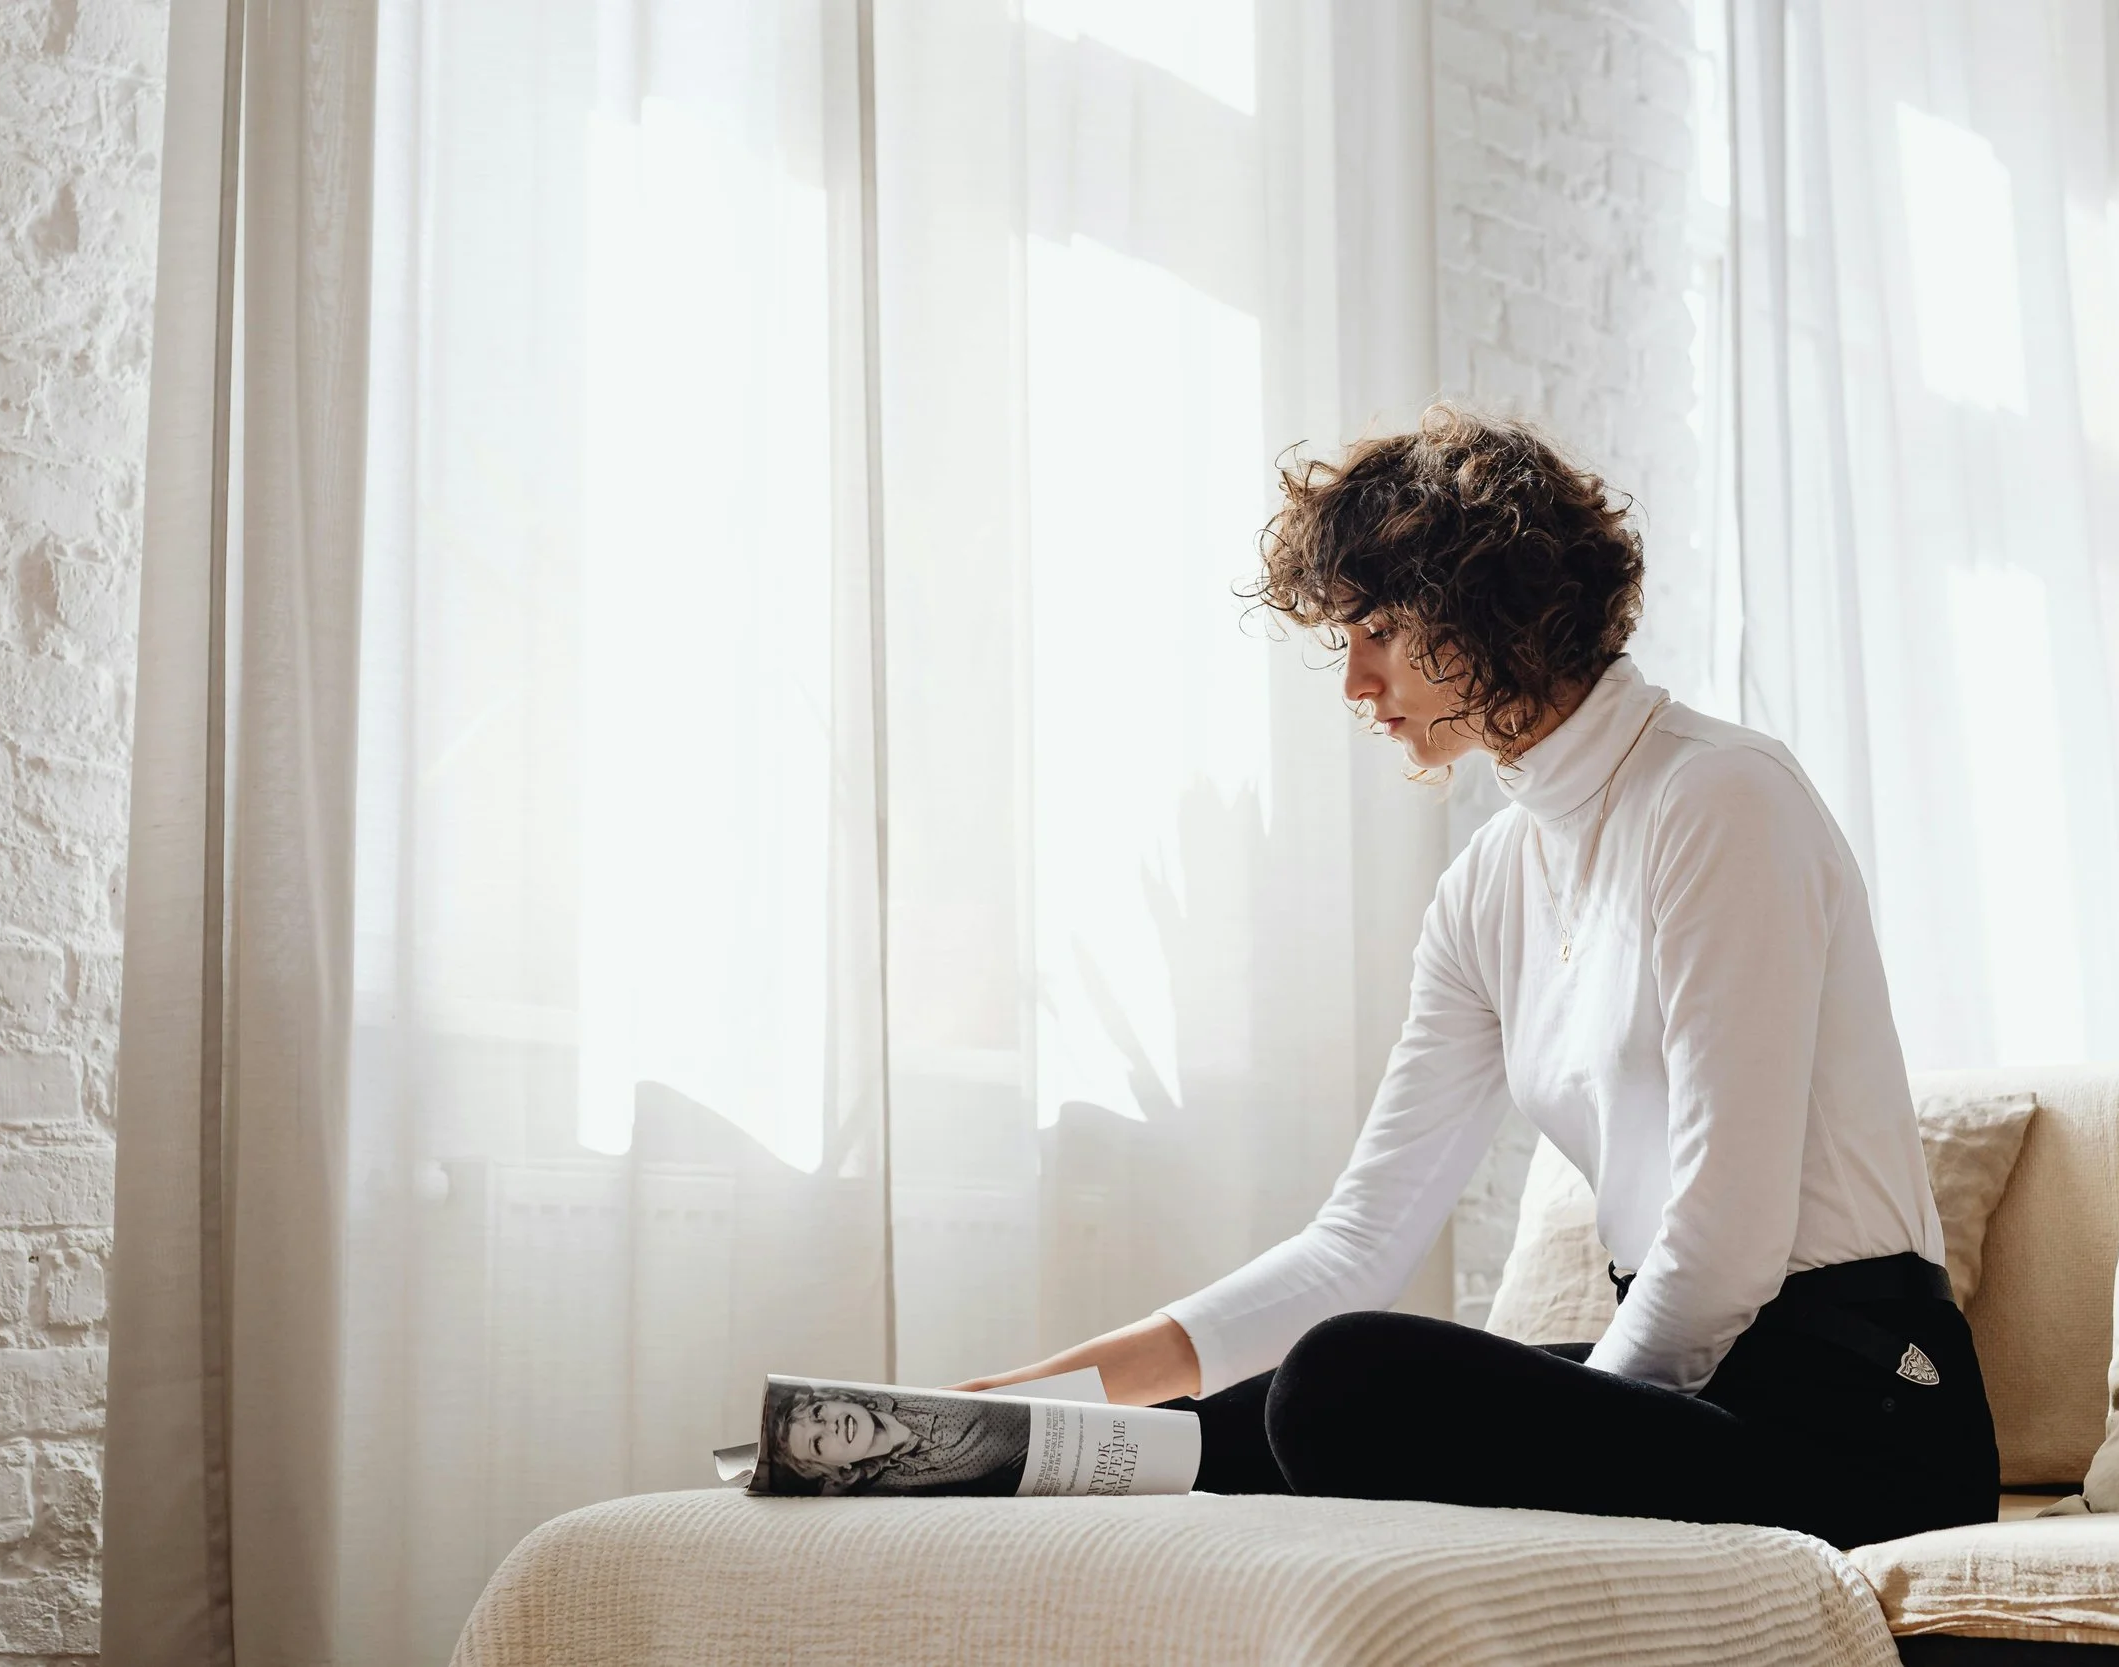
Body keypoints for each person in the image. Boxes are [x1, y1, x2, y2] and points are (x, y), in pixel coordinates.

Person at [956, 404, 1998, 1549]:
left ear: (1483, 611)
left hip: (1861, 1412)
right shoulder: (1487, 883)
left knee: (1343, 1381)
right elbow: (1354, 1244)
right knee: (1239, 1419)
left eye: (1377, 632)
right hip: (1695, 1388)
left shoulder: (1720, 798)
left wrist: (1572, 1428)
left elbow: (1725, 1238)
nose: (1355, 682)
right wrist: (1007, 1409)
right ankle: (959, 1458)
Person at [760, 1383, 1032, 1497]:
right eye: (817, 1443)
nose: (830, 1426)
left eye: (818, 1413)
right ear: (835, 1469)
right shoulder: (892, 1487)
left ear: (834, 1400)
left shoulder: (910, 1397)